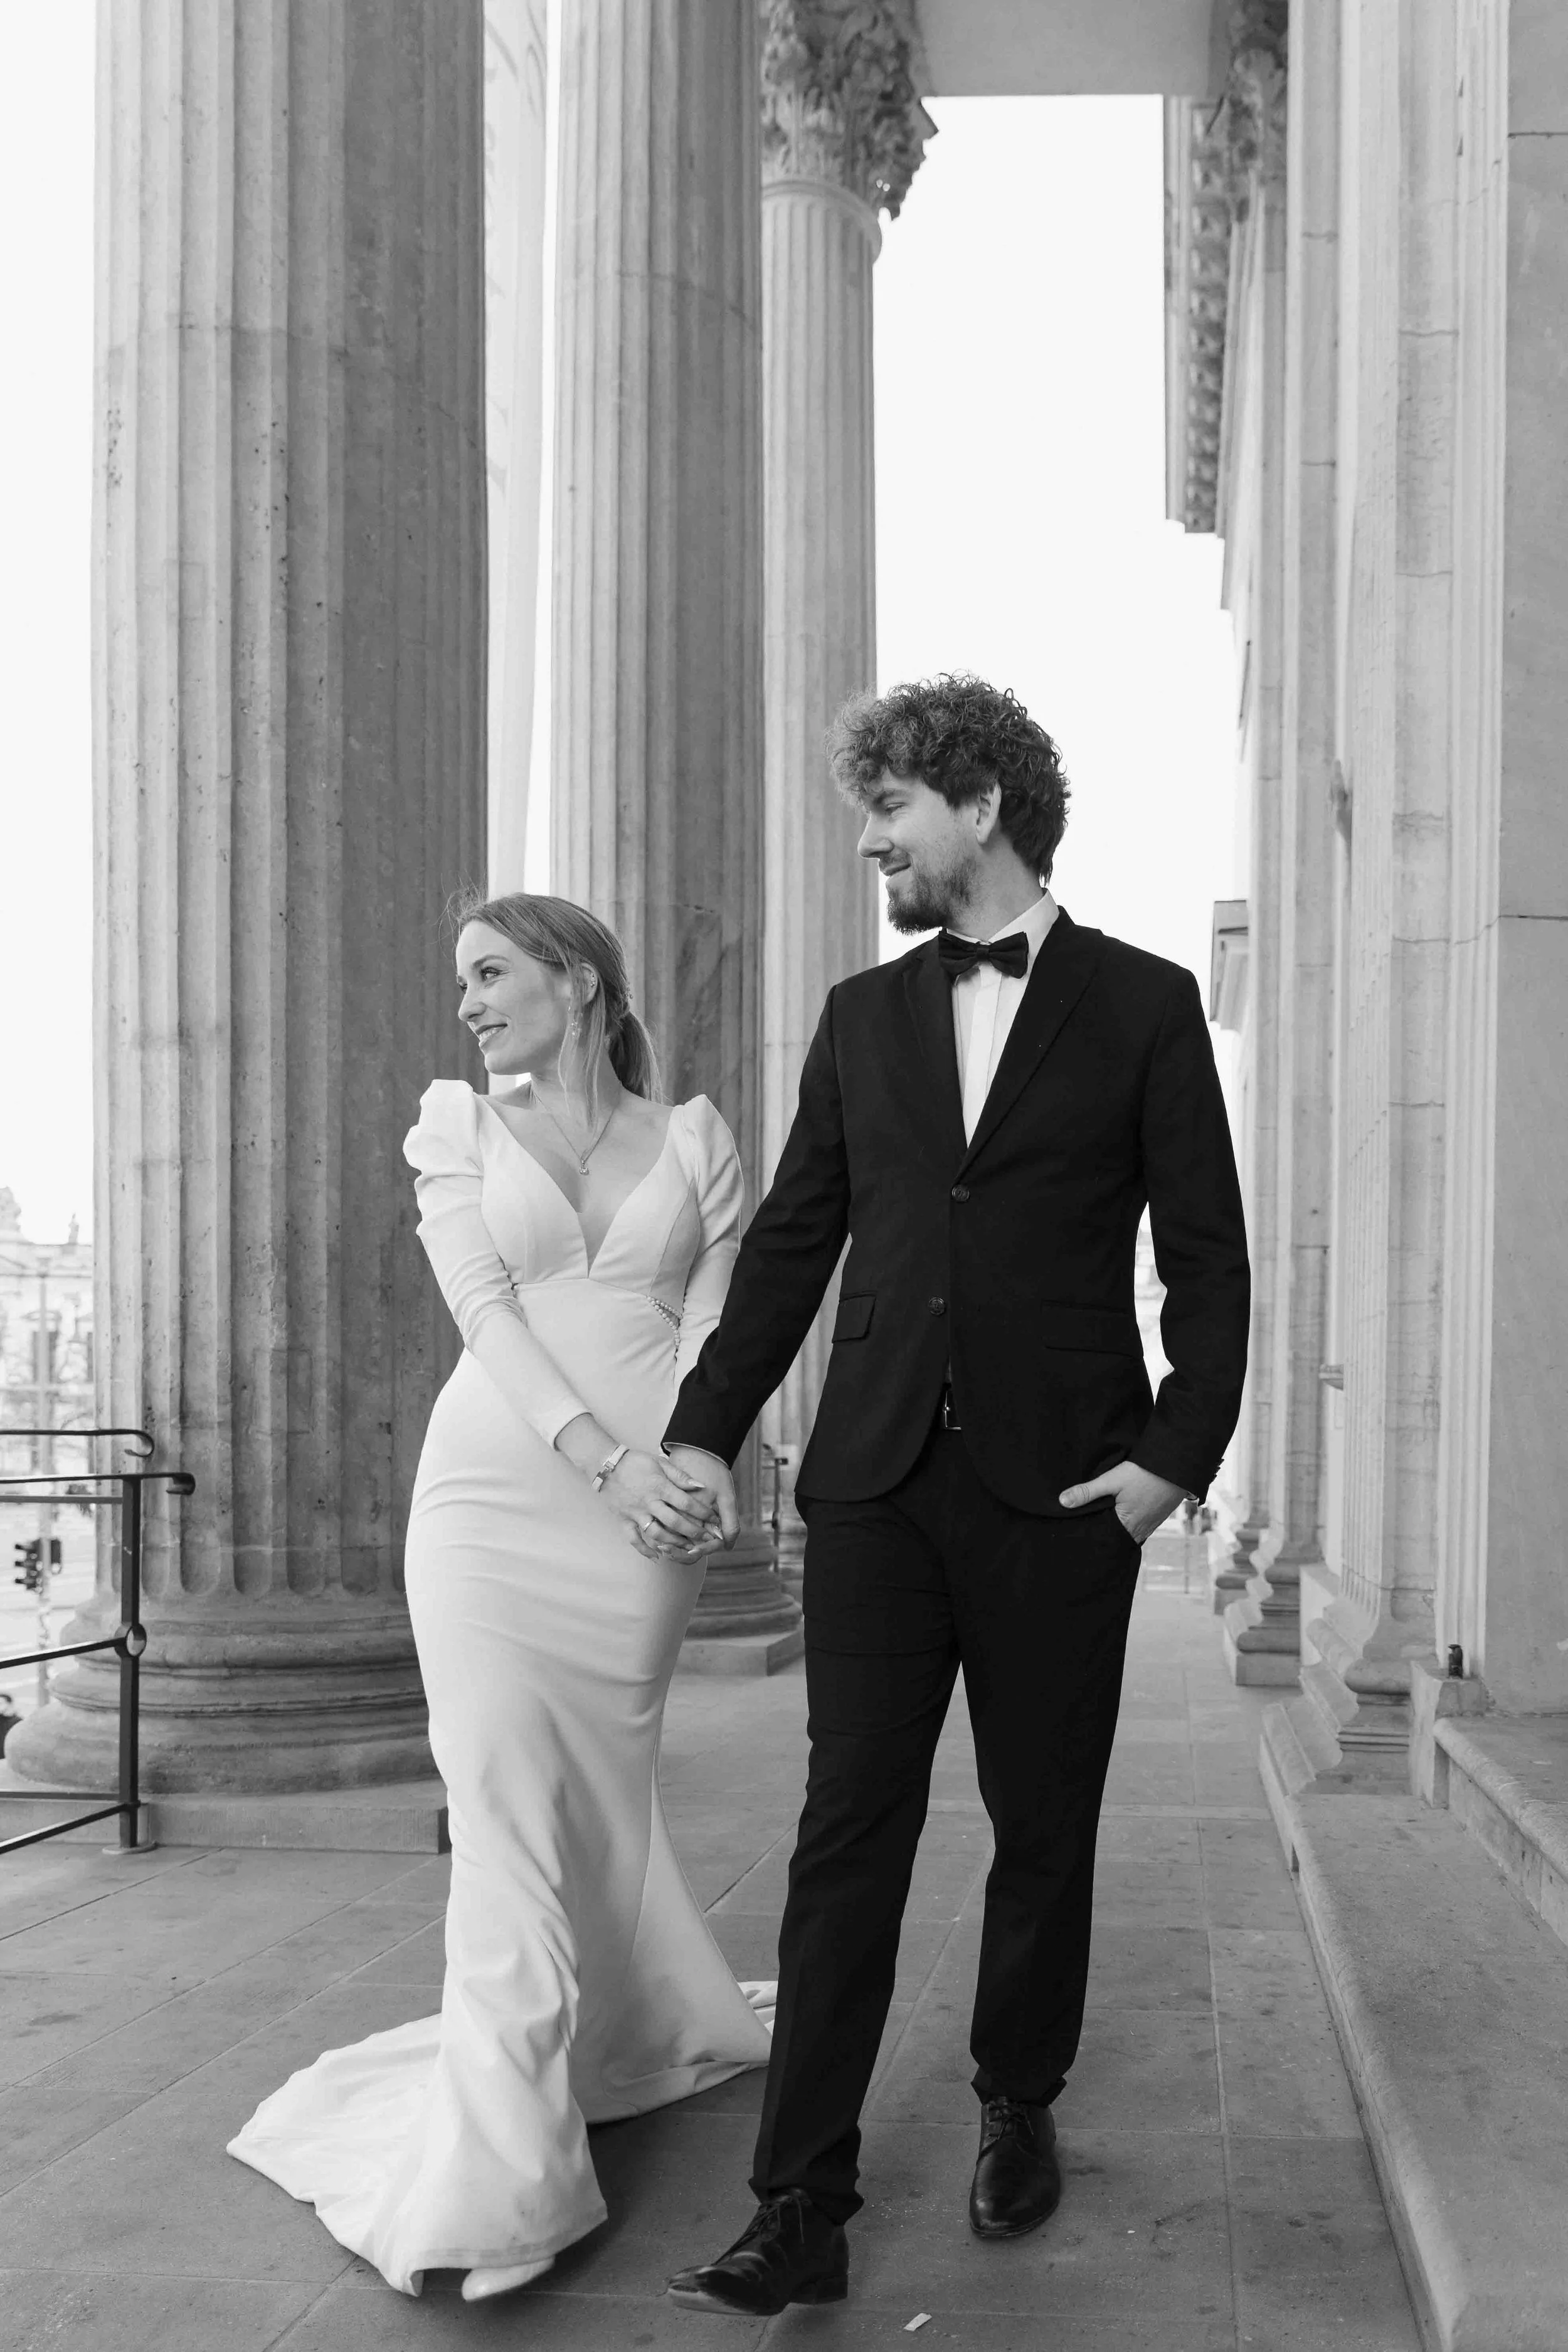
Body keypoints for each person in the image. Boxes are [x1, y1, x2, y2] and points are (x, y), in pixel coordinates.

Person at [662, 675, 1250, 2317]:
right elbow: (792, 1237)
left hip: (1063, 1487)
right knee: (844, 1821)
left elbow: (1203, 1256)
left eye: (893, 807)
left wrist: (1165, 1462)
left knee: (1040, 1817)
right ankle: (800, 2192)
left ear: (980, 804)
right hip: (871, 1481)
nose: (873, 839)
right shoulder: (859, 1019)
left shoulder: (1142, 1005)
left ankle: (1015, 2095)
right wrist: (707, 1426)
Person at [228, 891, 772, 2300]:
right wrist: (601, 1460)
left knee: (596, 1796)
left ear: (577, 976)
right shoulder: (453, 1127)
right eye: (459, 979)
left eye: (489, 971)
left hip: (653, 1510)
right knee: (501, 1811)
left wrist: (696, 1461)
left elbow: (726, 1323)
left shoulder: (697, 1138)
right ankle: (498, 2173)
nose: (466, 1001)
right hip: (497, 1498)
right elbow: (484, 1309)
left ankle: (604, 2034)